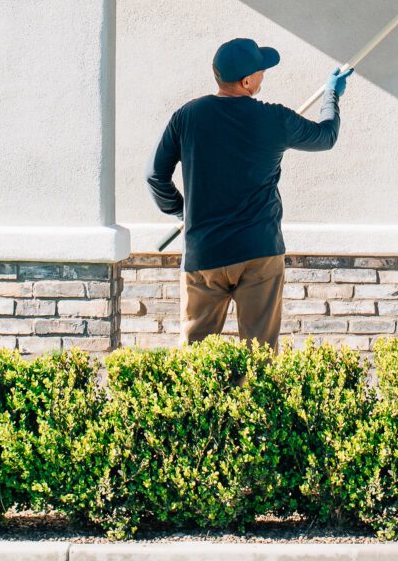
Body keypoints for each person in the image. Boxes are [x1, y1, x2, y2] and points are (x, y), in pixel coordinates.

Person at [146, 37, 348, 347]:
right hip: (259, 253)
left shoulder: (187, 116)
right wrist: (332, 94)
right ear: (247, 81)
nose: (263, 75)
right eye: (261, 71)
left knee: (197, 357)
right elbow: (326, 136)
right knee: (260, 356)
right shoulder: (274, 118)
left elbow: (155, 176)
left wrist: (183, 213)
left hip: (205, 253)